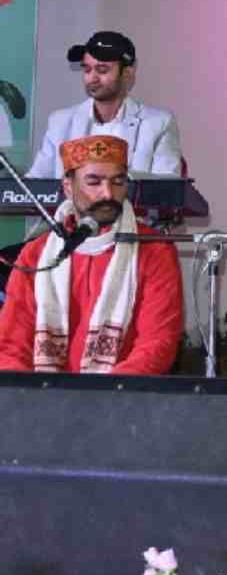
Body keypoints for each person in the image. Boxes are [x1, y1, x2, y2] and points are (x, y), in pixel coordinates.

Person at [0, 136, 183, 373]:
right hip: (44, 392)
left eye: (118, 182)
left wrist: (105, 392)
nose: (108, 193)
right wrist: (32, 391)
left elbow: (158, 344)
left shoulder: (154, 248)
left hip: (122, 392)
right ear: (68, 187)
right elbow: (11, 345)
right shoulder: (37, 254)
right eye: (94, 182)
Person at [28, 31, 182, 178]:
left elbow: (168, 184)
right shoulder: (60, 121)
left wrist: (118, 180)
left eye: (102, 70)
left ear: (127, 73)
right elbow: (34, 183)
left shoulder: (158, 123)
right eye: (87, 69)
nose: (92, 78)